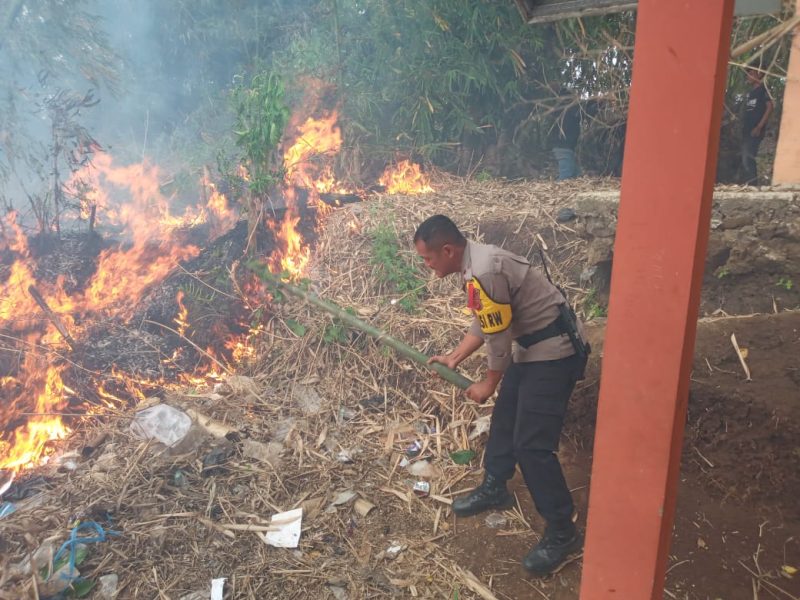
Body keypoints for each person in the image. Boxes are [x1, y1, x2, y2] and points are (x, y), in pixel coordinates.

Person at [414, 215, 588, 576]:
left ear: (447, 250)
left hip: (554, 351)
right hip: (530, 347)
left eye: (428, 259)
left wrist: (488, 384)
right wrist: (454, 357)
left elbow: (497, 339)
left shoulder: (484, 270)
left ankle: (562, 530)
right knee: (505, 420)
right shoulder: (472, 265)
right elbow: (486, 319)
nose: (427, 266)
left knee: (532, 445)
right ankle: (496, 487)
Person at [741, 66, 774, 186]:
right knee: (746, 157)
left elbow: (770, 107)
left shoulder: (763, 90)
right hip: (747, 129)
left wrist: (759, 127)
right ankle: (750, 184)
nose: (748, 76)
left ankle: (752, 185)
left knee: (748, 157)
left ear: (759, 75)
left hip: (755, 129)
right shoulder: (751, 93)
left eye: (751, 73)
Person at [550, 103, 582, 180]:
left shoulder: (560, 111)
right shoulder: (572, 112)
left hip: (563, 146)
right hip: (564, 147)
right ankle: (559, 188)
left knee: (574, 172)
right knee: (566, 175)